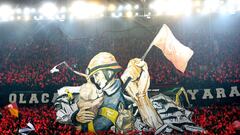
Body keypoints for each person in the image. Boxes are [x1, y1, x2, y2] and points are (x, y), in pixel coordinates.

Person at [71, 52, 129, 133]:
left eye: (97, 74)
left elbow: (100, 126)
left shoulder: (126, 90)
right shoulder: (100, 93)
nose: (95, 79)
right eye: (93, 77)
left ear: (109, 72)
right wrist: (77, 118)